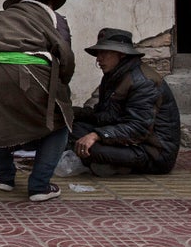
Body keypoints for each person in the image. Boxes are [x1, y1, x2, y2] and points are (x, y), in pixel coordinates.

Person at [0, 0, 75, 202]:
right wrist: (61, 84)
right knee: (59, 123)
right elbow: (65, 54)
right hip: (32, 71)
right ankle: (40, 186)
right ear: (48, 2)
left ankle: (5, 178)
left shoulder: (0, 18)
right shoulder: (55, 19)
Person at [70, 28, 181, 176]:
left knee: (92, 148)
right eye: (98, 54)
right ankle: (107, 162)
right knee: (72, 129)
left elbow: (138, 128)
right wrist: (74, 113)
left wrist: (96, 136)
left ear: (121, 54)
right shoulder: (113, 75)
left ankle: (115, 165)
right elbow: (106, 116)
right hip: (128, 141)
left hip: (152, 153)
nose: (98, 59)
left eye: (104, 53)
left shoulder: (143, 82)